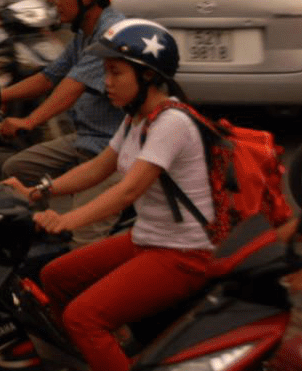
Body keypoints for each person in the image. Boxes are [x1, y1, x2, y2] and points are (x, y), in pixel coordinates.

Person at [26, 20, 213, 371]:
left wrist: (66, 219)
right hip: (148, 240)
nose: (106, 83)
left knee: (83, 318)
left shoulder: (171, 122)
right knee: (55, 276)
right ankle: (94, 358)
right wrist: (39, 191)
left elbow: (129, 190)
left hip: (185, 253)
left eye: (115, 73)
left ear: (146, 76)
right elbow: (99, 168)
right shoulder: (135, 119)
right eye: (105, 72)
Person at [0, 0, 126, 245]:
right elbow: (49, 77)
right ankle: (40, 239)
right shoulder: (83, 33)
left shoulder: (110, 34)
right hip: (85, 138)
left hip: (109, 150)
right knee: (16, 170)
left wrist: (28, 121)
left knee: (81, 242)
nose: (56, 1)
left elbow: (70, 88)